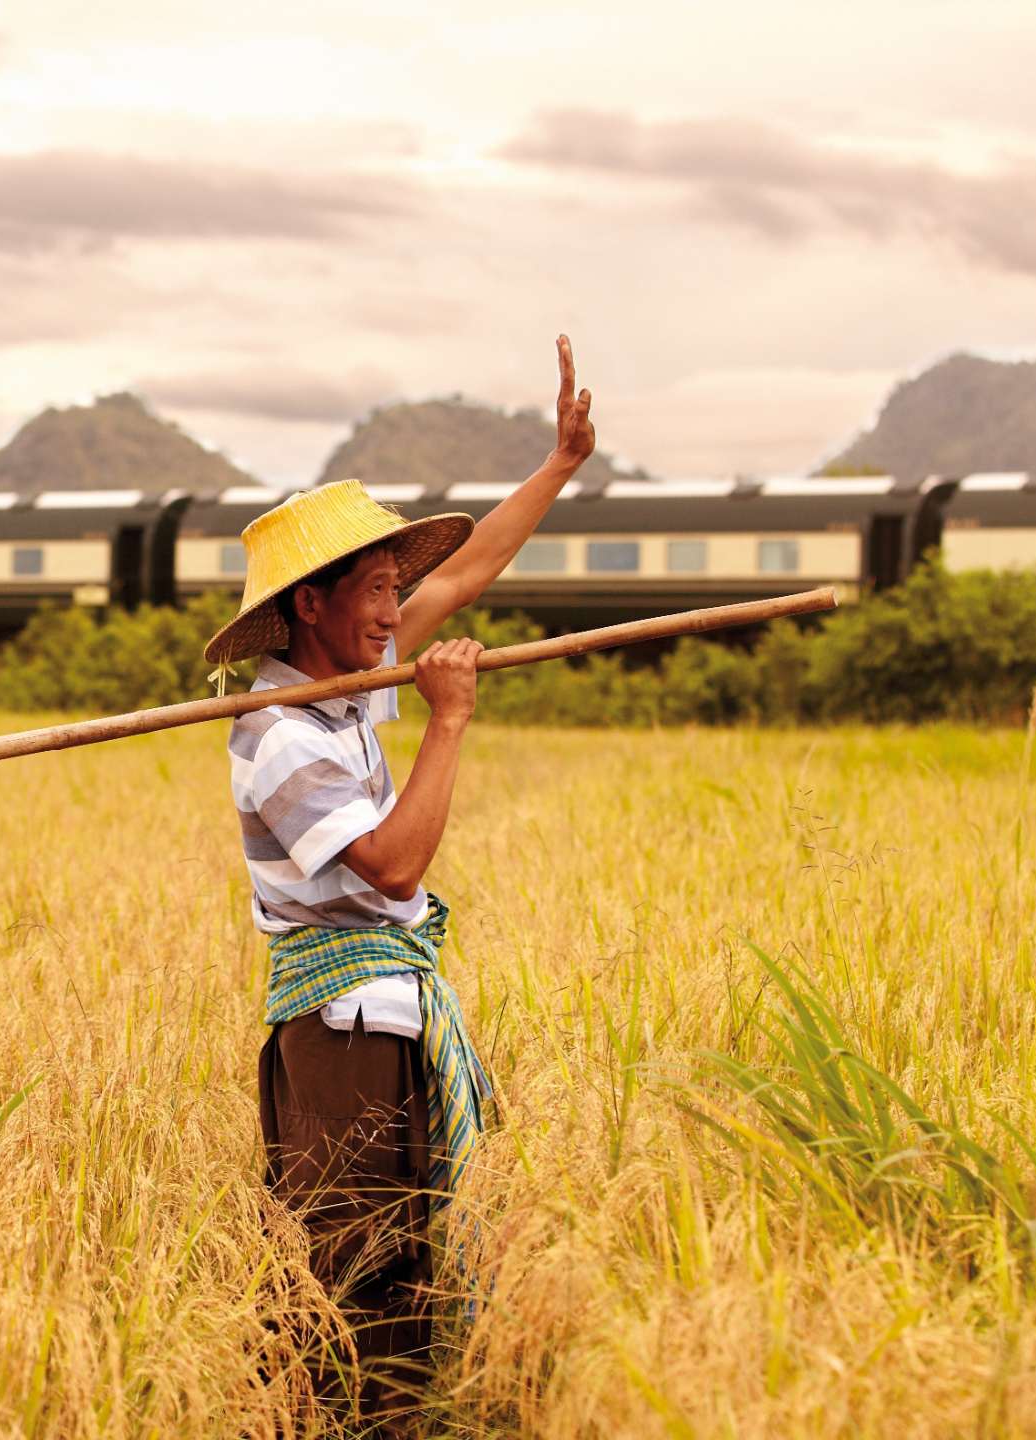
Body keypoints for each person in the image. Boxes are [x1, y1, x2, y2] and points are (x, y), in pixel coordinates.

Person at [205, 336, 596, 1426]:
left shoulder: (353, 683)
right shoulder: (279, 731)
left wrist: (557, 466)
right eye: (374, 592)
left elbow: (468, 573)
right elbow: (391, 862)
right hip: (337, 1028)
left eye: (393, 589)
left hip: (389, 1010)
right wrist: (452, 723)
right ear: (312, 606)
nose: (394, 609)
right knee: (352, 1270)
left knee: (414, 1253)